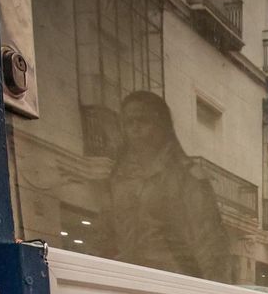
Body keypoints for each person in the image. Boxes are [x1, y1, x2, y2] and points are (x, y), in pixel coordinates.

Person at [95, 91, 234, 283]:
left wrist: (210, 293)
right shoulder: (118, 179)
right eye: (129, 122)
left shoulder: (187, 177)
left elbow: (210, 245)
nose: (135, 128)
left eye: (143, 120)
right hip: (126, 282)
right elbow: (104, 237)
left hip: (174, 284)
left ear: (161, 125)